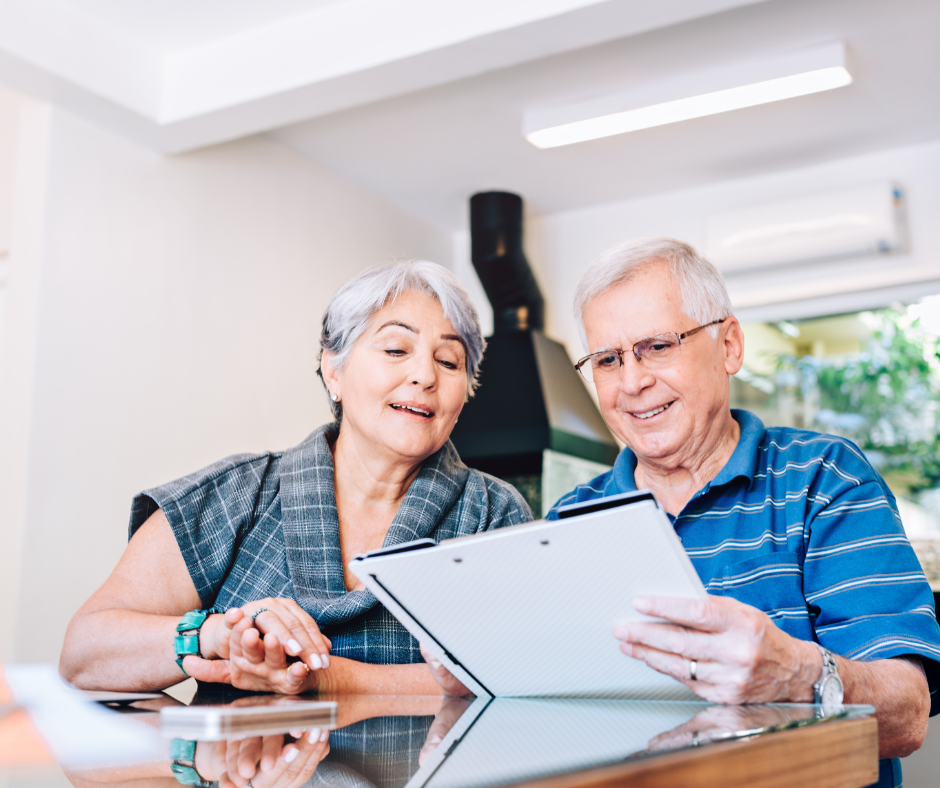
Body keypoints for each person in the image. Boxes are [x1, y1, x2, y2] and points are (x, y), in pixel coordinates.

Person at [425, 238, 940, 788]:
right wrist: (490, 681)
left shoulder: (825, 478)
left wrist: (798, 674)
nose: (632, 382)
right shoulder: (571, 519)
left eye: (656, 346)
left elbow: (907, 716)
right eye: (608, 359)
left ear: (729, 346)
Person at [60, 260, 531, 696]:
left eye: (449, 362)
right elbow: (83, 654)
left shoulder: (493, 513)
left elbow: (520, 674)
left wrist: (325, 677)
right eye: (395, 348)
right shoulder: (238, 493)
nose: (425, 375)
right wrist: (218, 633)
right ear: (334, 371)